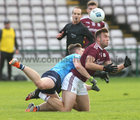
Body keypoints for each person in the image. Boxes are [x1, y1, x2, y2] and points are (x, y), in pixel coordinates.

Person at [36, 28, 131, 112]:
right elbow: (88, 64)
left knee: (84, 110)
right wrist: (104, 68)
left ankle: (55, 103)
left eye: (108, 37)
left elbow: (112, 69)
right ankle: (43, 95)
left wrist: (124, 65)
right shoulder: (93, 48)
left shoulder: (105, 53)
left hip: (81, 81)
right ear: (98, 39)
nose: (108, 39)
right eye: (105, 37)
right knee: (65, 109)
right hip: (73, 79)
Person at [9, 43, 99, 111]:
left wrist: (91, 87)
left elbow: (75, 84)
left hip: (60, 84)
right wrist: (92, 75)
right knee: (41, 84)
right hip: (55, 75)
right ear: (77, 51)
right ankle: (19, 65)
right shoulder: (76, 56)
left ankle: (35, 108)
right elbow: (80, 67)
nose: (84, 53)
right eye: (82, 51)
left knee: (58, 105)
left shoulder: (75, 65)